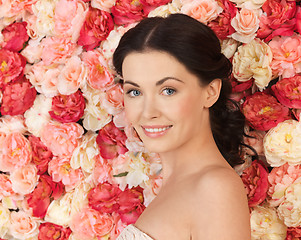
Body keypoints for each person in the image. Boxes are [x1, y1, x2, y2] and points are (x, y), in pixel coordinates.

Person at [113, 13, 251, 240]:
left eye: (168, 90)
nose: (148, 112)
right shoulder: (178, 185)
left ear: (210, 92)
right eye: (135, 92)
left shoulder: (215, 188)